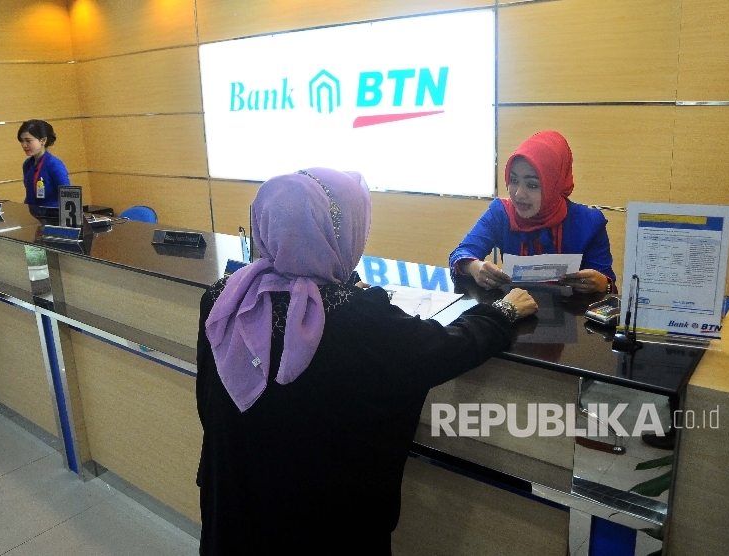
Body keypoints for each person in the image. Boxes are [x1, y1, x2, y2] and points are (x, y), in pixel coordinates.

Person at [195, 168, 538, 554]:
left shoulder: (226, 297)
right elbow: (444, 349)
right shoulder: (357, 317)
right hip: (318, 527)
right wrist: (502, 313)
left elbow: (208, 400)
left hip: (235, 510)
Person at [450, 130, 617, 294]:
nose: (518, 194)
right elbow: (461, 253)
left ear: (554, 184)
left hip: (573, 318)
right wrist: (474, 267)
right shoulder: (501, 212)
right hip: (513, 313)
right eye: (514, 180)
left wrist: (603, 284)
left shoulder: (589, 222)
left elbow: (609, 287)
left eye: (532, 185)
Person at [17, 119, 69, 207]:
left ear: (43, 140)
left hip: (53, 216)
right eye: (22, 141)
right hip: (34, 215)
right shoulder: (27, 164)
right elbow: (30, 196)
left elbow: (68, 196)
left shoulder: (54, 165)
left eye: (28, 140)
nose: (24, 145)